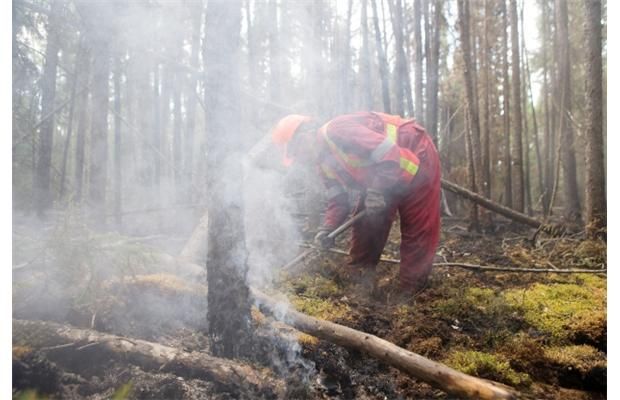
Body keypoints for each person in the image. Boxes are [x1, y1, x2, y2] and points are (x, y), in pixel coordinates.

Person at [271, 112, 441, 296]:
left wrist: (377, 191)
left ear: (304, 139)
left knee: (418, 231)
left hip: (415, 153)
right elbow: (338, 200)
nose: (300, 162)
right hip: (384, 175)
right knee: (366, 227)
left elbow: (389, 152)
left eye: (297, 155)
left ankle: (409, 294)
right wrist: (327, 228)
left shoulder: (338, 130)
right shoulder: (323, 164)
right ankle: (360, 284)